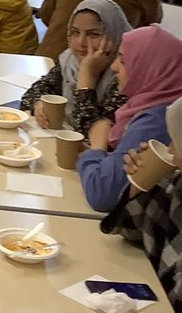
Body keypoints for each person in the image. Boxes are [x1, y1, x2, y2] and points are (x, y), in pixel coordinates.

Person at [77, 24, 182, 212]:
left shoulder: (157, 120)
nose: (114, 67)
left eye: (123, 61)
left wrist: (96, 148)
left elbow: (102, 195)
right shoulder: (146, 102)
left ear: (151, 69)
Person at [103, 95, 182, 313]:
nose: (171, 150)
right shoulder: (177, 184)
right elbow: (132, 231)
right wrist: (141, 182)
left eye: (176, 141)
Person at [20, 0, 131, 132]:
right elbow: (33, 93)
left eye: (94, 34)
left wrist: (86, 77)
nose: (81, 42)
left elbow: (92, 134)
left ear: (115, 35)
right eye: (75, 32)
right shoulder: (69, 60)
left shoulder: (125, 74)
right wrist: (38, 104)